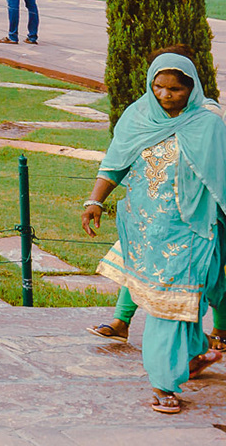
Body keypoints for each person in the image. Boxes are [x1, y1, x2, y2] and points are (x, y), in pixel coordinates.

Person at [83, 48, 226, 415]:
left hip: (191, 230)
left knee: (173, 305)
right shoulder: (137, 115)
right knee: (175, 303)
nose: (165, 95)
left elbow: (221, 179)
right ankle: (193, 355)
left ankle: (163, 383)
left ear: (191, 89)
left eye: (176, 89)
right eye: (158, 86)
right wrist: (94, 201)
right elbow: (115, 163)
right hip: (144, 228)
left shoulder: (208, 124)